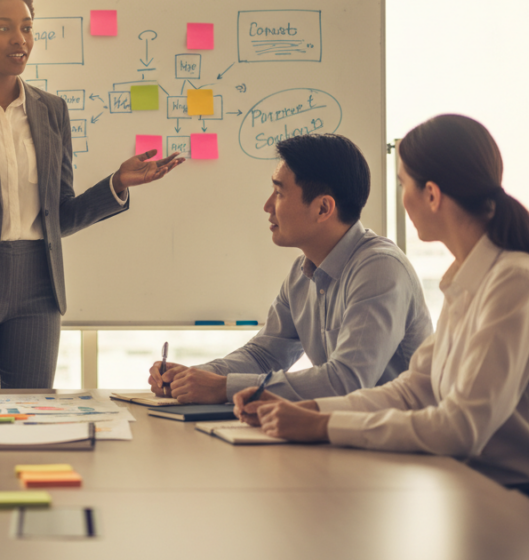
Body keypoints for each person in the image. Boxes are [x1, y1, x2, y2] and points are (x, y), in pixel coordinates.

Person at [234, 115, 529, 508]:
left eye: (403, 185)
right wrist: (309, 410)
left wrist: (325, 424)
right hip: (471, 487)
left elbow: (461, 426)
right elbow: (416, 388)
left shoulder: (515, 281)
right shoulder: (467, 280)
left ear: (431, 195)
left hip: (524, 502)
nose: (402, 198)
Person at [0, 0, 182, 389]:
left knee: (34, 415)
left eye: (26, 27)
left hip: (38, 285)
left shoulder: (51, 110)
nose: (19, 38)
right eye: (3, 27)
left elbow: (61, 214)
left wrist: (116, 184)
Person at [149, 133, 432, 403]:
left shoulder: (379, 268)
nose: (267, 206)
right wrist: (190, 378)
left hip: (400, 445)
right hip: (347, 434)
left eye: (279, 193)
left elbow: (348, 380)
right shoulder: (302, 272)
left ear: (323, 209)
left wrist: (223, 387)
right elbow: (263, 356)